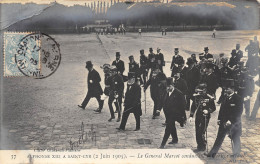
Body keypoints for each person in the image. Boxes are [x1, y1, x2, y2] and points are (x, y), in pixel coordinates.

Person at [206, 80, 243, 158]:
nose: (225, 90)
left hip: (234, 123)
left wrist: (231, 121)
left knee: (235, 137)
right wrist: (219, 119)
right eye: (225, 89)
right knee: (219, 137)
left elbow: (238, 112)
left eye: (227, 89)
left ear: (233, 89)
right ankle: (212, 153)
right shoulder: (225, 97)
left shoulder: (238, 98)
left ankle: (237, 153)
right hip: (223, 121)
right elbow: (222, 109)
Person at [159, 77, 186, 149]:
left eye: (169, 86)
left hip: (175, 113)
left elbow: (183, 106)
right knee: (172, 126)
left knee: (168, 127)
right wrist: (159, 109)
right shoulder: (165, 92)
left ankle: (162, 144)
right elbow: (162, 101)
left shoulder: (179, 94)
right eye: (167, 86)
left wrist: (184, 117)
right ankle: (175, 139)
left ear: (173, 86)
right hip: (167, 113)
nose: (168, 88)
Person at [189, 83, 216, 152]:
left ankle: (203, 145)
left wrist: (208, 111)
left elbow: (213, 108)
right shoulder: (196, 97)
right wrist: (191, 116)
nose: (198, 93)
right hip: (198, 116)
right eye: (198, 91)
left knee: (201, 131)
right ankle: (199, 145)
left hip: (205, 117)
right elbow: (193, 106)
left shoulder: (209, 97)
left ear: (204, 90)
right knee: (197, 131)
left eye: (200, 91)